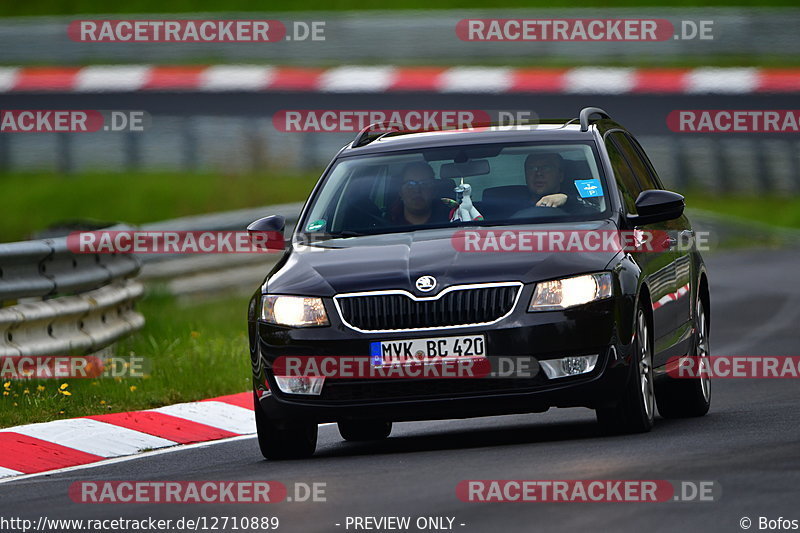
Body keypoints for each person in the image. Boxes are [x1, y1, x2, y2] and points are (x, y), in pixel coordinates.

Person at [389, 161, 451, 225]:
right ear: (400, 192)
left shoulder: (451, 222)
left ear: (434, 190)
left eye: (424, 184)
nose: (417, 190)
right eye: (410, 185)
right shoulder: (386, 225)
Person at [522, 152, 588, 212]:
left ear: (560, 176)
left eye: (546, 168)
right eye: (532, 168)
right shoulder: (514, 200)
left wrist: (567, 199)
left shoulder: (577, 204)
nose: (538, 173)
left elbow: (595, 206)